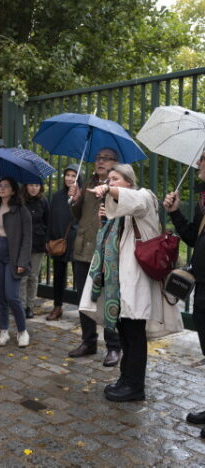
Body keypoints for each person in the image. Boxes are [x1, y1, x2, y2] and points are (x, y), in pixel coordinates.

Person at [79, 164, 182, 401]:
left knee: (135, 334)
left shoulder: (144, 197)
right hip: (121, 284)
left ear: (129, 181)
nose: (110, 182)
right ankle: (125, 378)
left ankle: (135, 386)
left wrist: (106, 188)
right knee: (125, 332)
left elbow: (132, 200)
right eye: (109, 179)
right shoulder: (117, 213)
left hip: (137, 282)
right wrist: (105, 223)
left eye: (115, 178)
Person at [67, 148, 122, 366]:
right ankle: (88, 341)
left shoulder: (119, 186)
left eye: (106, 158)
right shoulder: (88, 182)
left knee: (109, 299)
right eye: (98, 158)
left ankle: (113, 346)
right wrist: (75, 200)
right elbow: (78, 215)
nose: (100, 161)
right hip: (83, 248)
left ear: (115, 163)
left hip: (107, 252)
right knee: (84, 299)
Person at [164, 151, 205, 437]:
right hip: (202, 285)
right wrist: (174, 212)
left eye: (203, 158)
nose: (198, 162)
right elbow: (191, 237)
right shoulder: (204, 199)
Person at [0, 177, 32, 348]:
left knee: (13, 297)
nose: (2, 188)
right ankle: (4, 330)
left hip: (14, 255)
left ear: (13, 190)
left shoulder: (21, 210)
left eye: (6, 186)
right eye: (0, 186)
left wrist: (22, 261)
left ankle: (22, 330)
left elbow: (27, 238)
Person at [45, 165, 79, 321]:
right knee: (58, 276)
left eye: (73, 175)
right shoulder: (58, 196)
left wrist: (76, 198)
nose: (70, 178)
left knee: (79, 277)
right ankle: (57, 307)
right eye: (67, 175)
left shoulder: (82, 196)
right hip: (59, 241)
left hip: (76, 242)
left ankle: (85, 311)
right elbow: (51, 219)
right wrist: (49, 239)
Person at [20, 181, 49, 318]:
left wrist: (46, 241)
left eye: (37, 185)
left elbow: (48, 222)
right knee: (22, 277)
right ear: (26, 185)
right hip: (22, 244)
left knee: (33, 276)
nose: (33, 188)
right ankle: (21, 305)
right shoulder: (20, 201)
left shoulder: (43, 202)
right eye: (31, 184)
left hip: (38, 243)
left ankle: (30, 306)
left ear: (40, 187)